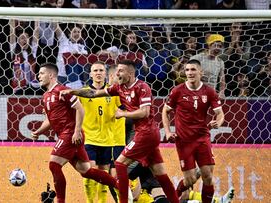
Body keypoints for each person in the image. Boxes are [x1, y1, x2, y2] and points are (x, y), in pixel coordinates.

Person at [60, 59, 179, 203]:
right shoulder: (118, 88)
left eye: (120, 71)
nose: (117, 73)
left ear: (130, 73)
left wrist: (123, 114)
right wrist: (71, 91)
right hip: (143, 134)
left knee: (120, 164)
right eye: (117, 71)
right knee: (160, 173)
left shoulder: (142, 87)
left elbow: (145, 112)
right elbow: (93, 93)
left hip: (147, 132)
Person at [30, 63, 118, 203]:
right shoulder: (46, 96)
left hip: (70, 134)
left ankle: (61, 201)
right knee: (86, 171)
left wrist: (76, 131)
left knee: (54, 164)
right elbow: (50, 120)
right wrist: (38, 131)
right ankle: (118, 185)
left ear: (51, 75)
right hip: (68, 136)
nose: (38, 76)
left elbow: (80, 109)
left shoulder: (63, 90)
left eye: (41, 73)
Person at [161, 59, 225, 203]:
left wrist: (218, 123)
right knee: (189, 180)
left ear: (200, 72)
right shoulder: (177, 91)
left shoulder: (209, 91)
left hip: (202, 139)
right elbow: (165, 111)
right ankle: (173, 198)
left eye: (193, 70)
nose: (190, 73)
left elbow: (220, 113)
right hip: (184, 141)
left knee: (208, 176)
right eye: (187, 70)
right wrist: (167, 131)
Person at [79, 61, 126, 203]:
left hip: (108, 139)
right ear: (90, 74)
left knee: (104, 173)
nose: (98, 73)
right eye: (95, 70)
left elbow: (125, 107)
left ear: (105, 74)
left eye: (101, 70)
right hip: (89, 138)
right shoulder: (83, 93)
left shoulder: (113, 93)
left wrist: (122, 112)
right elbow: (73, 108)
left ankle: (102, 202)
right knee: (89, 172)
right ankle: (90, 201)